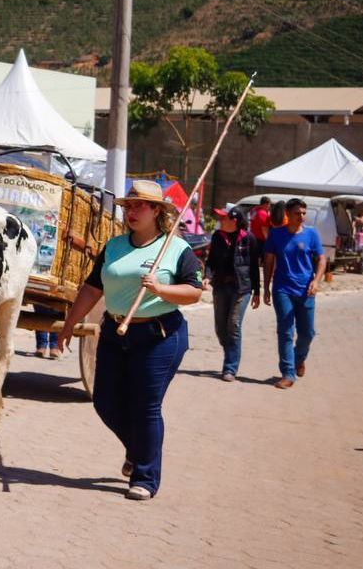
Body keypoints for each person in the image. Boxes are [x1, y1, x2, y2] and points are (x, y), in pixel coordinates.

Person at [57, 180, 203, 501]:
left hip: (159, 336)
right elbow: (92, 289)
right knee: (105, 401)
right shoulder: (115, 246)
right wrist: (69, 324)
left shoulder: (177, 249)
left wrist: (161, 289)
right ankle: (139, 450)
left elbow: (194, 292)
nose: (131, 212)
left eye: (139, 206)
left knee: (145, 406)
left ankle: (145, 477)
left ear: (156, 211)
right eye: (128, 206)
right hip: (115, 332)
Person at [263, 198, 327, 390]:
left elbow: (322, 259)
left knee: (307, 332)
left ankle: (299, 358)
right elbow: (268, 261)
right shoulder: (276, 235)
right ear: (288, 215)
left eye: (303, 213)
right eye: (297, 213)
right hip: (283, 289)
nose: (301, 217)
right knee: (285, 331)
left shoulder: (311, 234)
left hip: (306, 290)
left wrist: (316, 281)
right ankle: (288, 373)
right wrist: (265, 287)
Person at [206, 207, 260, 382]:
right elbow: (211, 261)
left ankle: (230, 367)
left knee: (234, 326)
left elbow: (254, 267)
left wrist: (258, 291)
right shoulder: (217, 237)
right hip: (221, 287)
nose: (220, 220)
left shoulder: (249, 239)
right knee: (221, 328)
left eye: (224, 218)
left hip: (241, 289)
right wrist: (207, 277)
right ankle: (230, 351)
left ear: (234, 220)